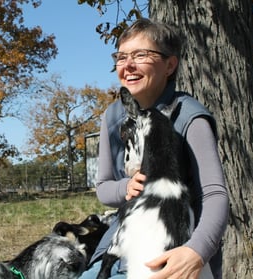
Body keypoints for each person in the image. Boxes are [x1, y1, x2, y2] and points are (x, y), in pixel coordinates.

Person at [79, 18, 229, 279]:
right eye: (121, 56)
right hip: (118, 248)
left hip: (172, 251)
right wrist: (125, 187)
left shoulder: (190, 117)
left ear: (170, 65)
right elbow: (103, 187)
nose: (128, 65)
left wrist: (196, 251)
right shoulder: (113, 117)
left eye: (140, 55)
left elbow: (214, 194)